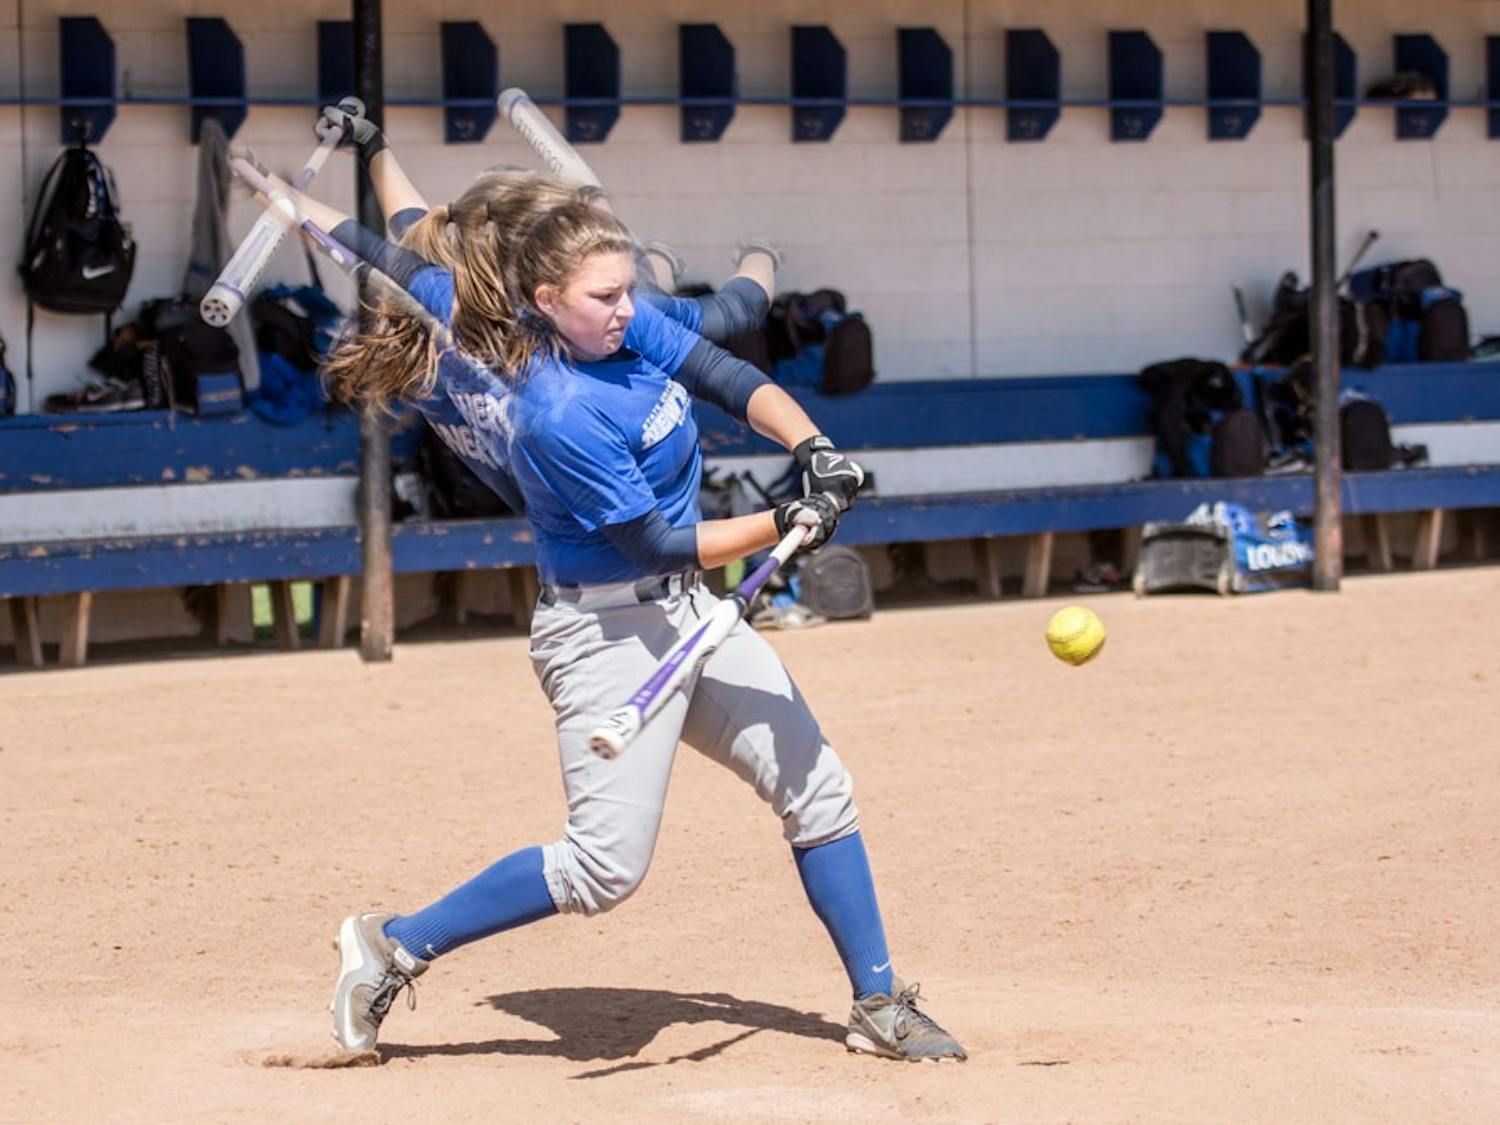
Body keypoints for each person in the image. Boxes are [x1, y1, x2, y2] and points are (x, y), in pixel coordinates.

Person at [284, 105, 968, 1064]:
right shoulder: (554, 409)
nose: (626, 306)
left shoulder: (623, 325)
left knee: (818, 786)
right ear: (540, 299)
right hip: (606, 632)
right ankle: (393, 943)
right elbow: (655, 541)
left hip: (689, 613)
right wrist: (787, 519)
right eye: (603, 296)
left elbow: (725, 361)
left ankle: (879, 1000)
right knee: (604, 869)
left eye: (624, 291)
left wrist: (814, 449)